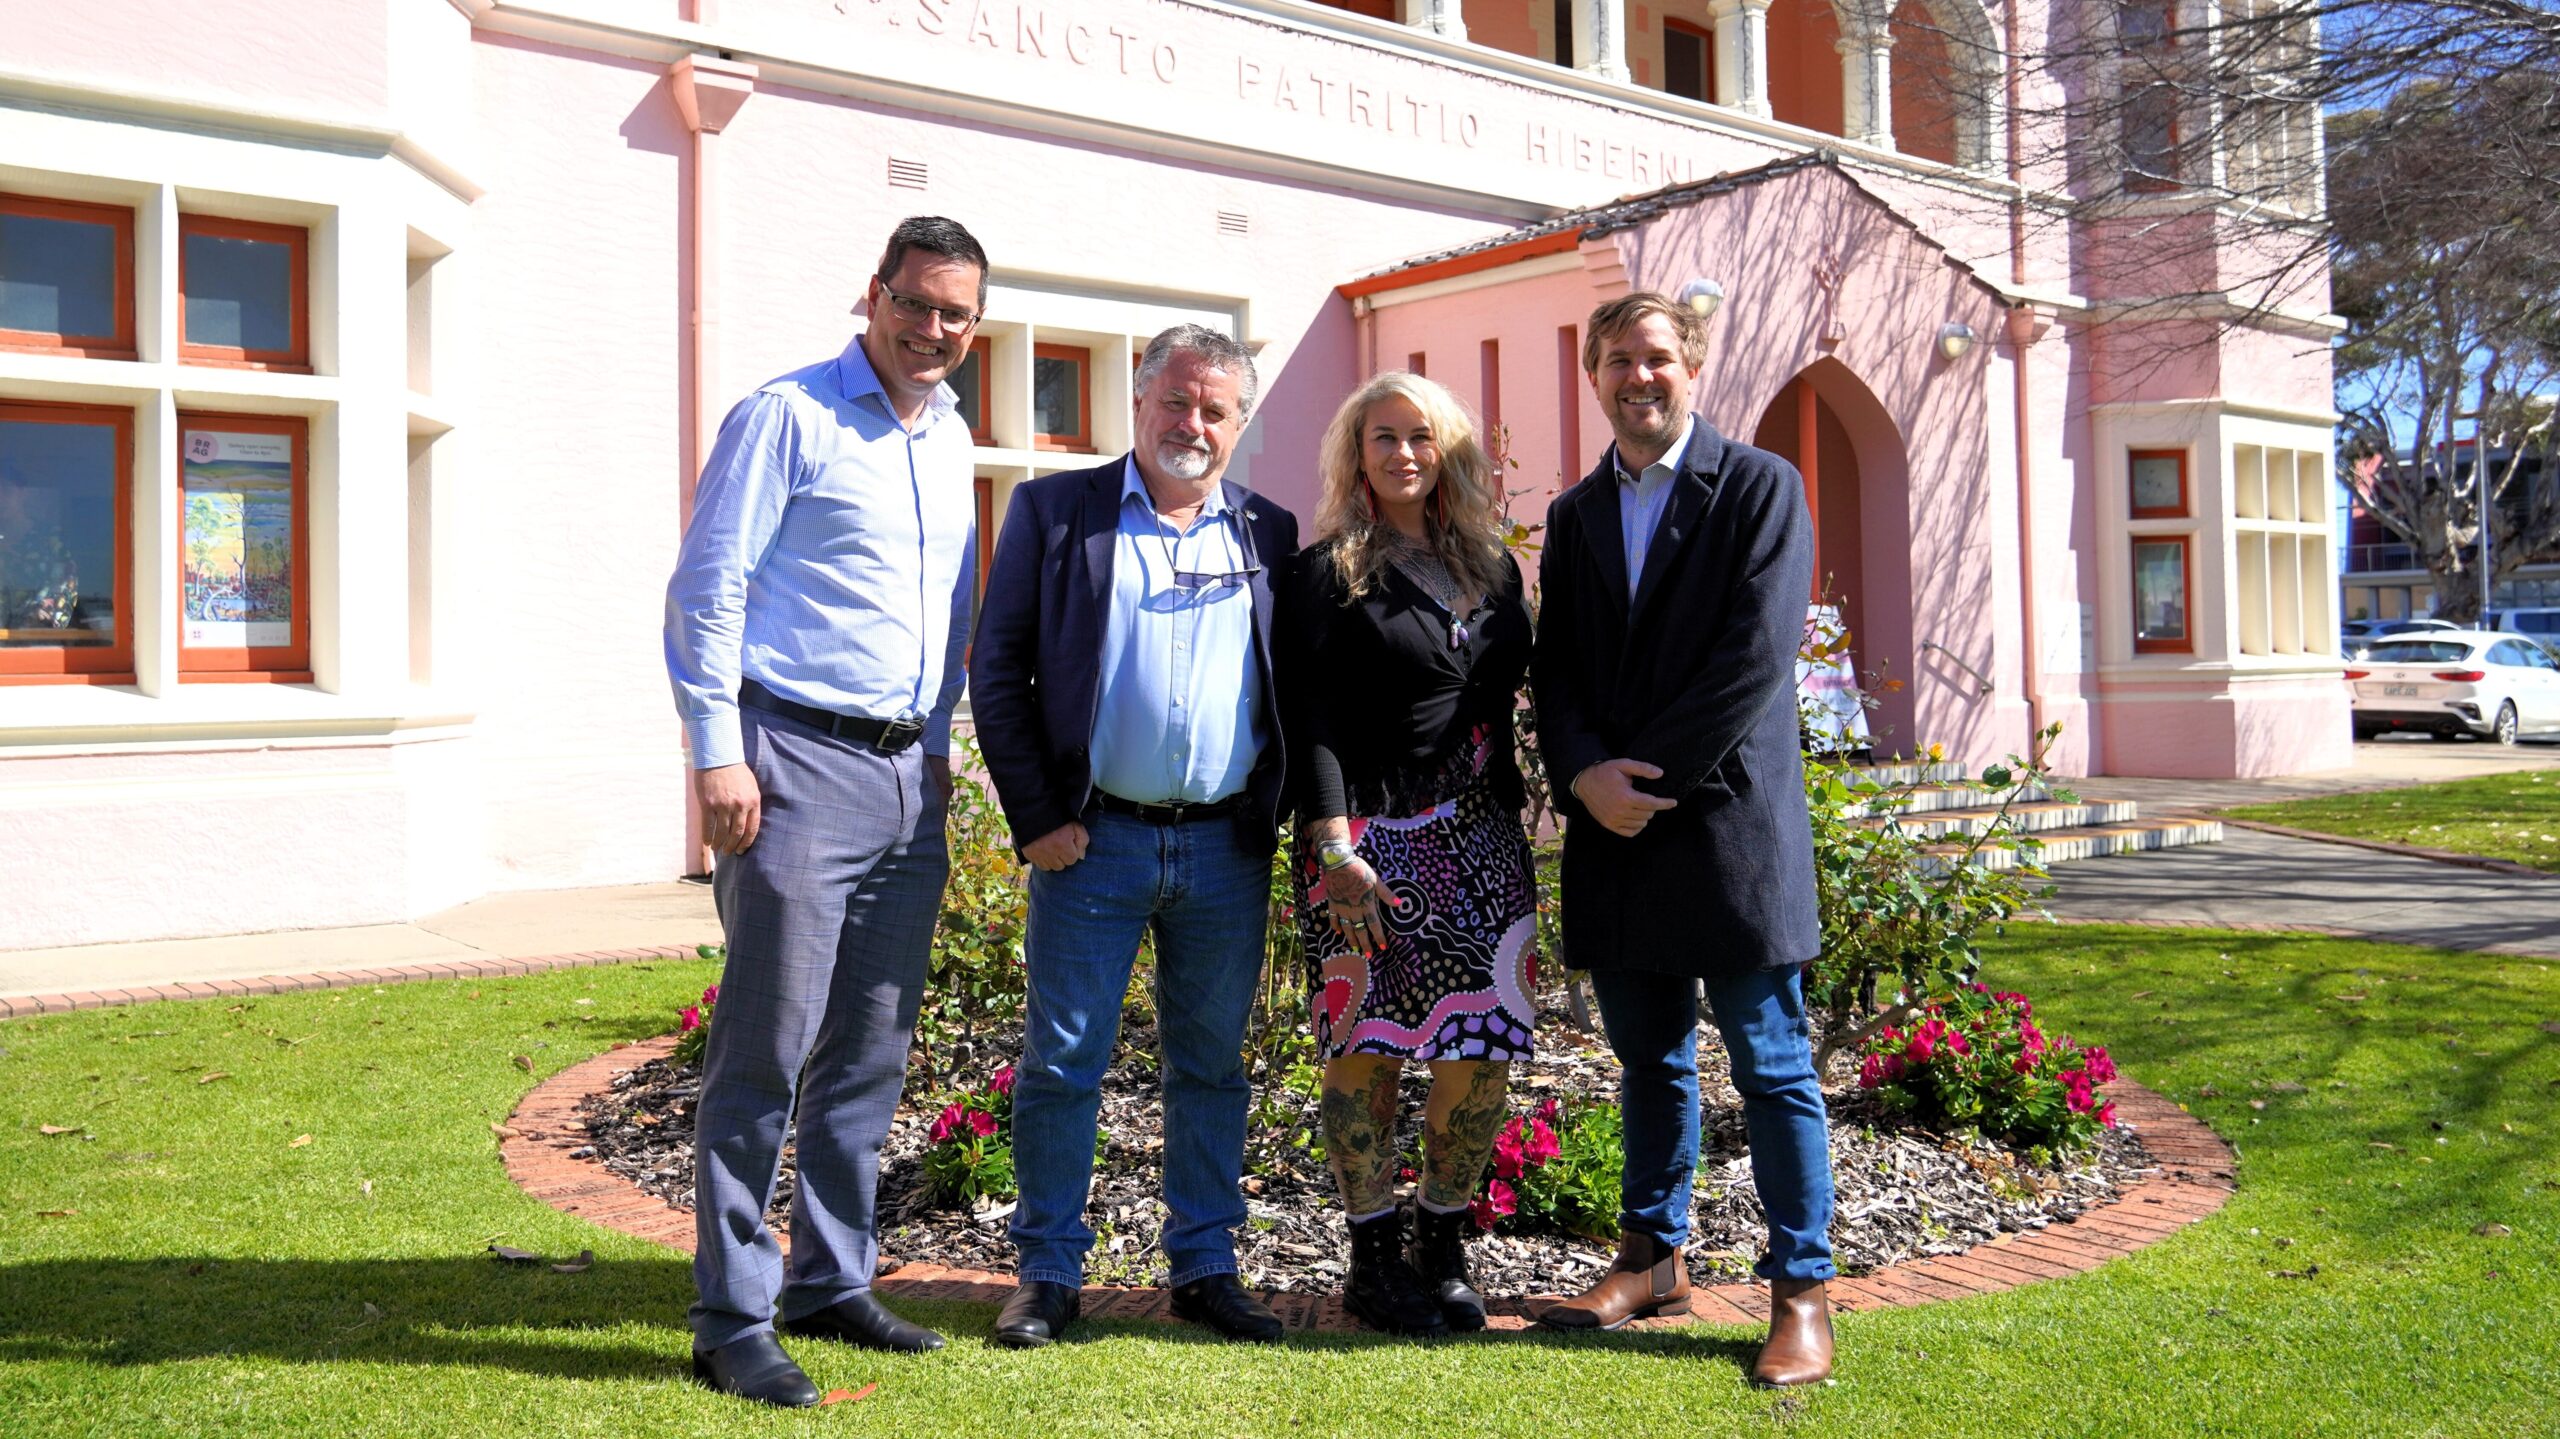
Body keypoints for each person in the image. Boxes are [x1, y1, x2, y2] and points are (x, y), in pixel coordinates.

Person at [663, 216, 987, 1407]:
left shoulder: (951, 434)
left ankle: (830, 1278)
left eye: (956, 313)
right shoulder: (786, 416)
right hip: (790, 760)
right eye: (917, 303)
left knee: (869, 1049)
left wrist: (939, 743)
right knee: (765, 1049)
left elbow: (946, 605)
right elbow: (708, 589)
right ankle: (731, 1314)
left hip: (910, 776)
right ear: (874, 295)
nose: (933, 329)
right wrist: (715, 753)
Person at [969, 323, 1300, 1348]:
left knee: (1210, 1065)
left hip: (1222, 849)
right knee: (1063, 1059)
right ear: (1139, 399)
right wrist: (1036, 819)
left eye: (1214, 409)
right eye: (1175, 401)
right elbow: (998, 664)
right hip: (1091, 841)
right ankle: (1048, 1273)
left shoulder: (1269, 533)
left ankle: (1205, 1265)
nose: (1190, 424)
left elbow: (1299, 689)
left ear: (1238, 422)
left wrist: (1282, 816)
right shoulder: (1054, 511)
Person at [1529, 292, 1838, 1386]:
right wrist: (1581, 774)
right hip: (1613, 833)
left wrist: (1636, 777)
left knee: (1771, 1065)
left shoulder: (1759, 486)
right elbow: (1554, 666)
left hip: (1727, 832)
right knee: (1646, 1060)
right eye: (1615, 359)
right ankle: (1651, 1260)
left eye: (1655, 356)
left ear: (1691, 365)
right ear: (1594, 376)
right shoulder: (1571, 516)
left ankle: (1801, 1292)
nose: (1636, 376)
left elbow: (1753, 660)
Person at [1278, 372, 1537, 1336]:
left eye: (1420, 436)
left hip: (1482, 838)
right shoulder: (1326, 573)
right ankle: (1372, 1256)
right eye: (1382, 437)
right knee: (1367, 1048)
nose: (1402, 454)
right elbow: (1312, 720)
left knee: (1483, 1051)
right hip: (1368, 846)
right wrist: (1334, 844)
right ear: (1356, 454)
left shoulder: (1495, 568)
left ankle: (1443, 1242)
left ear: (1449, 449)